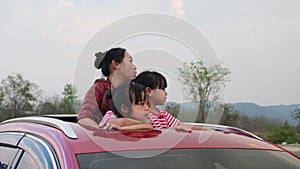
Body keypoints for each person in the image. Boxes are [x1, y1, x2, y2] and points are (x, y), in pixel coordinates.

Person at [77, 47, 137, 128]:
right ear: (116, 64)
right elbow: (84, 117)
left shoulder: (136, 90)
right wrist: (102, 134)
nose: (134, 67)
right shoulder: (99, 88)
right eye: (130, 61)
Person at [133, 71, 208, 131]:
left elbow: (182, 125)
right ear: (149, 91)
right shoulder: (143, 115)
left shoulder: (163, 114)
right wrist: (170, 130)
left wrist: (207, 130)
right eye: (162, 89)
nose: (166, 93)